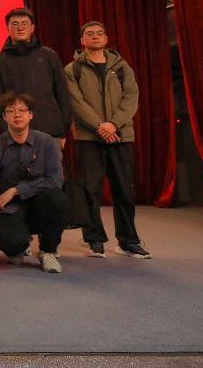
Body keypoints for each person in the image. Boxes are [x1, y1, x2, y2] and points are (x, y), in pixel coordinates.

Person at [65, 21, 150, 259]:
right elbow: (75, 102)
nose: (95, 36)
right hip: (89, 138)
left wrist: (113, 124)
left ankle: (128, 241)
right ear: (82, 40)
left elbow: (131, 97)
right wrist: (99, 126)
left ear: (106, 38)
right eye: (89, 34)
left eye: (99, 33)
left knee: (124, 190)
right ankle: (94, 240)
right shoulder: (73, 68)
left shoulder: (122, 67)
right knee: (90, 191)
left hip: (120, 136)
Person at [0, 92, 68, 274]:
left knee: (57, 198)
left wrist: (16, 190)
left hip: (39, 205)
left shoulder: (46, 142)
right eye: (11, 111)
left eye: (22, 110)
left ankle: (48, 251)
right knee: (12, 246)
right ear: (4, 116)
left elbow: (55, 180)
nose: (17, 115)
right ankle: (19, 245)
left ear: (31, 114)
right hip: (10, 209)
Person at [0, 8, 71, 146]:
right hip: (12, 135)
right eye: (15, 24)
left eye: (24, 23)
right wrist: (2, 132)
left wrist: (62, 131)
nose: (20, 28)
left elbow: (62, 93)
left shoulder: (49, 55)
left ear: (32, 27)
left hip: (49, 132)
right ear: (7, 28)